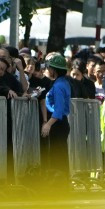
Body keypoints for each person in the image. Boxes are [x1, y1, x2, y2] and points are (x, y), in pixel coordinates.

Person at [41, 54, 73, 185]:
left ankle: (59, 185)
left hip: (57, 124)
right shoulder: (63, 83)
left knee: (57, 156)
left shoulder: (59, 86)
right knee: (59, 154)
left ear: (54, 70)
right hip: (61, 123)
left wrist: (47, 124)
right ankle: (62, 184)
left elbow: (58, 110)